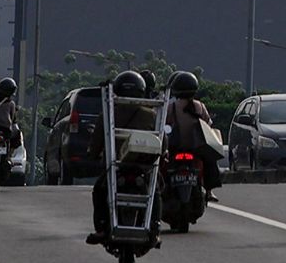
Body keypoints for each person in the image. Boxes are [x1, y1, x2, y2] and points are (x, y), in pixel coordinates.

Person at [86, 71, 162, 245]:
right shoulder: (151, 114)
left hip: (116, 167)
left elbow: (96, 142)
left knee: (100, 190)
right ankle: (155, 228)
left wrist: (92, 155)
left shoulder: (108, 112)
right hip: (142, 166)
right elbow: (160, 143)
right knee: (155, 190)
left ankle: (102, 228)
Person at [165, 71, 221, 202]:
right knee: (210, 160)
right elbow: (208, 125)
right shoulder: (200, 106)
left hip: (175, 148)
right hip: (196, 148)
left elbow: (163, 125)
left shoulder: (171, 107)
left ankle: (159, 188)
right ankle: (209, 191)